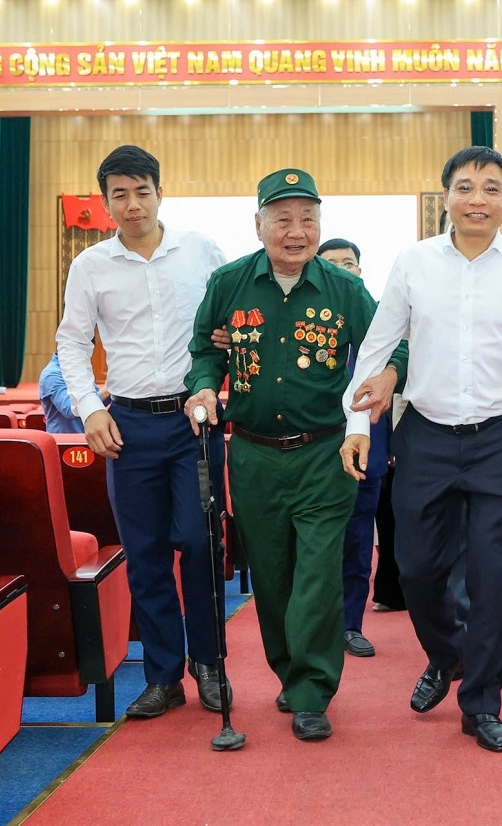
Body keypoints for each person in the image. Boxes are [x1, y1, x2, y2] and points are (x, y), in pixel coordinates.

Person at [340, 146, 502, 752]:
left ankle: (482, 702)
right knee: (415, 570)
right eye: (465, 187)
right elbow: (377, 347)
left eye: (491, 188)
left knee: (498, 579)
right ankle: (446, 656)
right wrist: (357, 427)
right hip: (427, 436)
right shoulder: (414, 263)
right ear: (446, 196)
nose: (477, 199)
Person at [184, 168, 407, 742]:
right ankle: (289, 673)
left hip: (323, 456)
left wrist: (387, 374)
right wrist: (205, 385)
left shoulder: (344, 289)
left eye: (308, 219)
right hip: (253, 458)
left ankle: (313, 690)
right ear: (258, 224)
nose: (296, 231)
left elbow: (394, 339)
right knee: (274, 577)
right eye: (282, 218)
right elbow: (202, 350)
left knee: (316, 577)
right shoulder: (229, 283)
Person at [55, 144, 231, 721]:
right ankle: (163, 675)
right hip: (126, 424)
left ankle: (209, 664)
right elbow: (72, 344)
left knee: (200, 543)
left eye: (142, 192)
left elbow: (231, 319)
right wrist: (89, 410)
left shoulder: (201, 251)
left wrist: (225, 352)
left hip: (192, 421)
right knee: (147, 554)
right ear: (106, 204)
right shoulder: (90, 266)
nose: (132, 205)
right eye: (119, 196)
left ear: (160, 192)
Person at [317, 237, 390, 658]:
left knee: (359, 543)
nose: (343, 270)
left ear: (361, 271)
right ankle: (316, 627)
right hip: (314, 452)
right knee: (315, 548)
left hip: (367, 452)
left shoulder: (380, 320)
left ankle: (350, 624)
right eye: (333, 264)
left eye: (350, 263)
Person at [38, 351, 86, 433]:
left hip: (82, 439)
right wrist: (108, 390)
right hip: (63, 442)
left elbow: (97, 400)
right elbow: (69, 409)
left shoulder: (79, 370)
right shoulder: (52, 374)